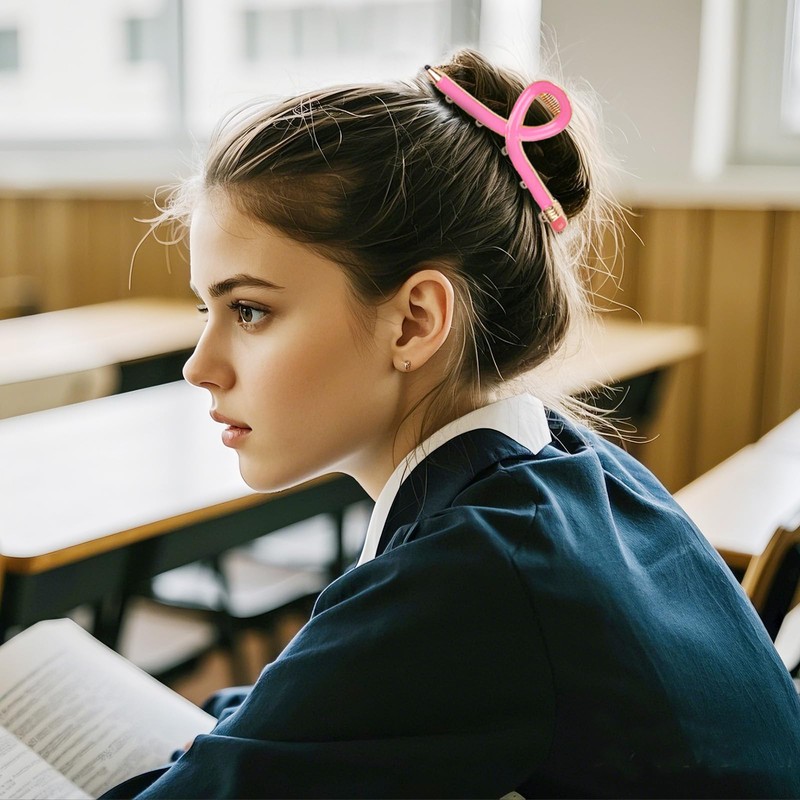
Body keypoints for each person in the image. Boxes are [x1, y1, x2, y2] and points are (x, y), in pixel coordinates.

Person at [103, 49, 800, 799]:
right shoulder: (568, 464)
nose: (198, 366)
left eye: (250, 311)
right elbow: (342, 689)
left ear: (414, 321)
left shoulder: (475, 575)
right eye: (205, 309)